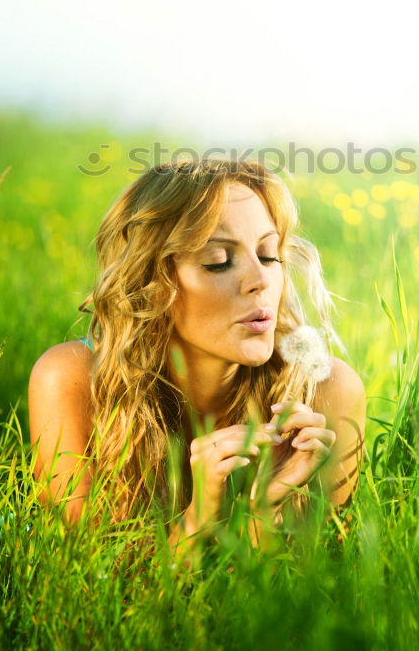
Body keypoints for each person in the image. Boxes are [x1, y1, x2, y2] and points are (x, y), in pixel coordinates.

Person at [27, 158, 366, 558]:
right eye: (219, 261)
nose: (260, 280)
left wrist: (264, 515)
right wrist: (198, 519)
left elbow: (305, 605)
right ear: (152, 285)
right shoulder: (74, 380)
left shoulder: (326, 395)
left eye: (269, 255)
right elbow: (90, 597)